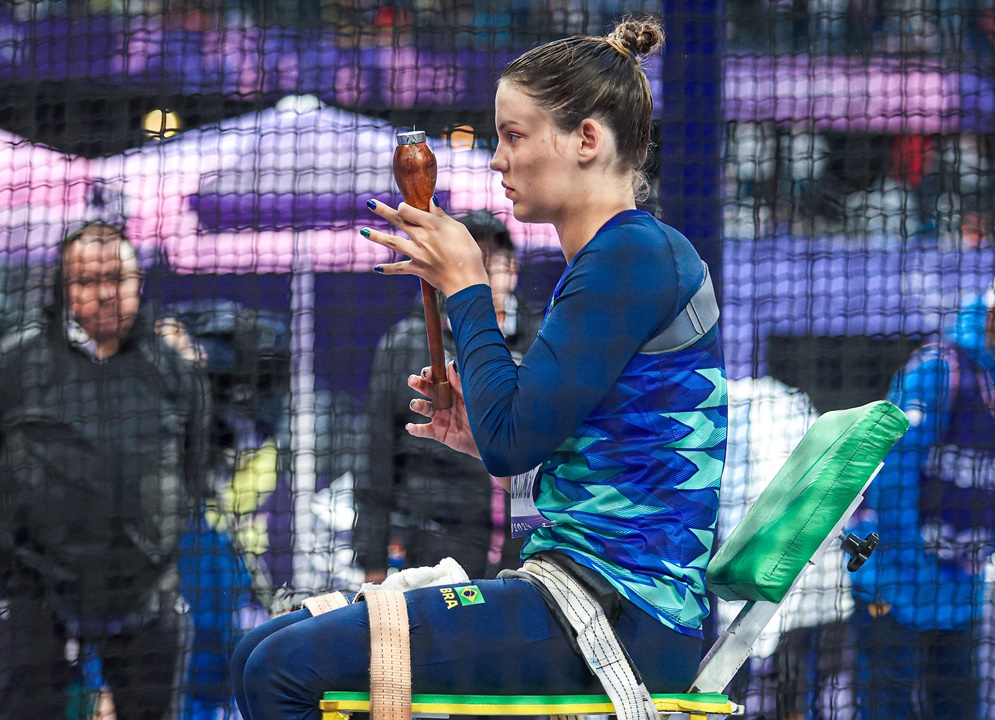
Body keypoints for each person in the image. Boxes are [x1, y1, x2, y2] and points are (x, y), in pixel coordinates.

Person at [231, 16, 727, 720]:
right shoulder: (623, 257)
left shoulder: (633, 254)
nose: (497, 159)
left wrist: (466, 285)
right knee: (268, 645)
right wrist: (478, 423)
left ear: (587, 139)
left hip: (618, 611)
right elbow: (527, 438)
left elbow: (513, 441)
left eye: (514, 135)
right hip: (592, 596)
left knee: (281, 667)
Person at [0, 221, 213, 719]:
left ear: (138, 283)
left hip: (146, 590)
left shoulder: (173, 371)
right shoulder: (15, 366)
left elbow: (193, 467)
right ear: (64, 289)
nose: (104, 294)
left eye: (116, 279)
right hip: (34, 591)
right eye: (86, 281)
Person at [848, 263, 995, 720]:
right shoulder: (938, 368)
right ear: (993, 318)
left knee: (958, 705)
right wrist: (912, 553)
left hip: (962, 579)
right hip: (893, 573)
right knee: (886, 706)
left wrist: (990, 545)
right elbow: (892, 473)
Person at [358, 209, 541, 582]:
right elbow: (377, 461)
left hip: (525, 548)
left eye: (492, 265)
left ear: (514, 269)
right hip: (434, 546)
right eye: (470, 264)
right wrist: (372, 560)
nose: (483, 278)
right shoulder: (406, 344)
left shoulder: (544, 338)